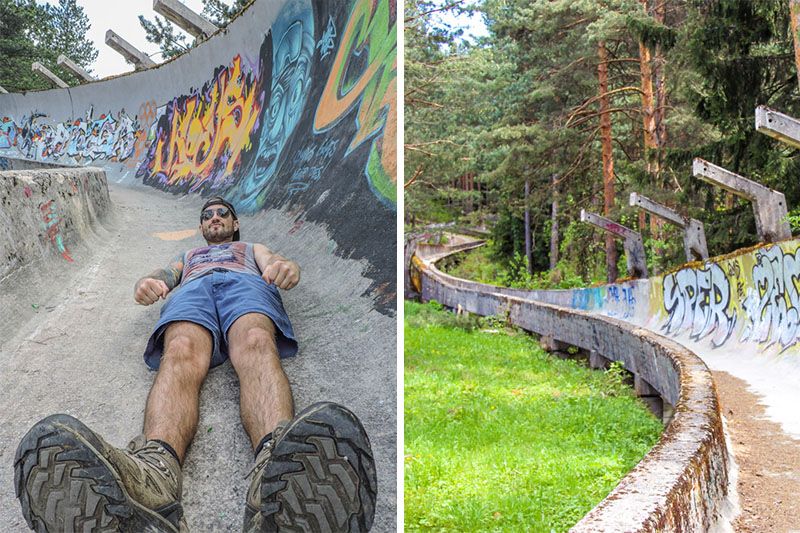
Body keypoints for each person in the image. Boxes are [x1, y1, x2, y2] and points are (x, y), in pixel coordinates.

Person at [14, 197, 377, 533]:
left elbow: (277, 262)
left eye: (221, 213)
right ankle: (156, 478)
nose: (214, 218)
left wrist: (286, 269)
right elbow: (164, 274)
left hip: (245, 285)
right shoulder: (188, 257)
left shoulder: (250, 249)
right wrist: (148, 282)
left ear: (234, 223)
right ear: (202, 228)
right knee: (181, 351)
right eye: (206, 216)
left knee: (255, 342)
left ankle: (275, 476)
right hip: (193, 291)